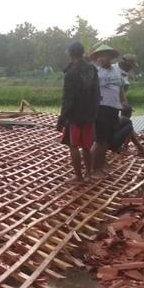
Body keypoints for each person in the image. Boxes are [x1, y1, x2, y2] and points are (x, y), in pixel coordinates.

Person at [57, 41, 100, 182]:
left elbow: (68, 98)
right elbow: (97, 93)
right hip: (89, 114)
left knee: (73, 145)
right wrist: (94, 112)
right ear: (82, 52)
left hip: (75, 115)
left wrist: (62, 118)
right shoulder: (92, 69)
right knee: (87, 146)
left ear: (70, 53)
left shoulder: (71, 73)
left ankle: (78, 176)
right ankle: (89, 174)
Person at [90, 44, 129, 177]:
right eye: (100, 56)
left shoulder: (117, 71)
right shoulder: (96, 72)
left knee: (106, 140)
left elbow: (121, 88)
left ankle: (100, 167)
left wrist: (123, 101)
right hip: (101, 108)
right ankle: (94, 169)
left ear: (111, 57)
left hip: (113, 109)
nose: (103, 58)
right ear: (97, 59)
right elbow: (90, 90)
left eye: (106, 55)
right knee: (99, 140)